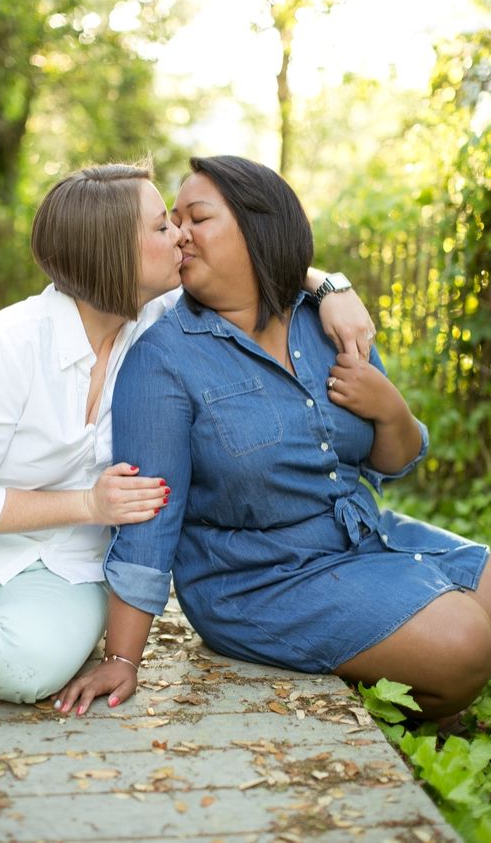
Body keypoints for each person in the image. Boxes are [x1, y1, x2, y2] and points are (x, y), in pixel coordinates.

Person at [0, 160, 372, 704]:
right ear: (112, 251)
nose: (181, 236)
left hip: (69, 564)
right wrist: (89, 505)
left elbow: (262, 262)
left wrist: (332, 285)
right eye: (162, 227)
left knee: (27, 671)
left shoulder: (157, 319)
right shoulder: (9, 343)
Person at [55, 155, 491, 722]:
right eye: (172, 220)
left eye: (198, 217)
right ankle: (419, 691)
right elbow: (148, 518)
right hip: (257, 580)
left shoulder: (328, 320)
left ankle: (408, 673)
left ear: (257, 225)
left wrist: (391, 407)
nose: (180, 233)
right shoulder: (162, 358)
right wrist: (123, 656)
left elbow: (395, 461)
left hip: (361, 537)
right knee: (464, 643)